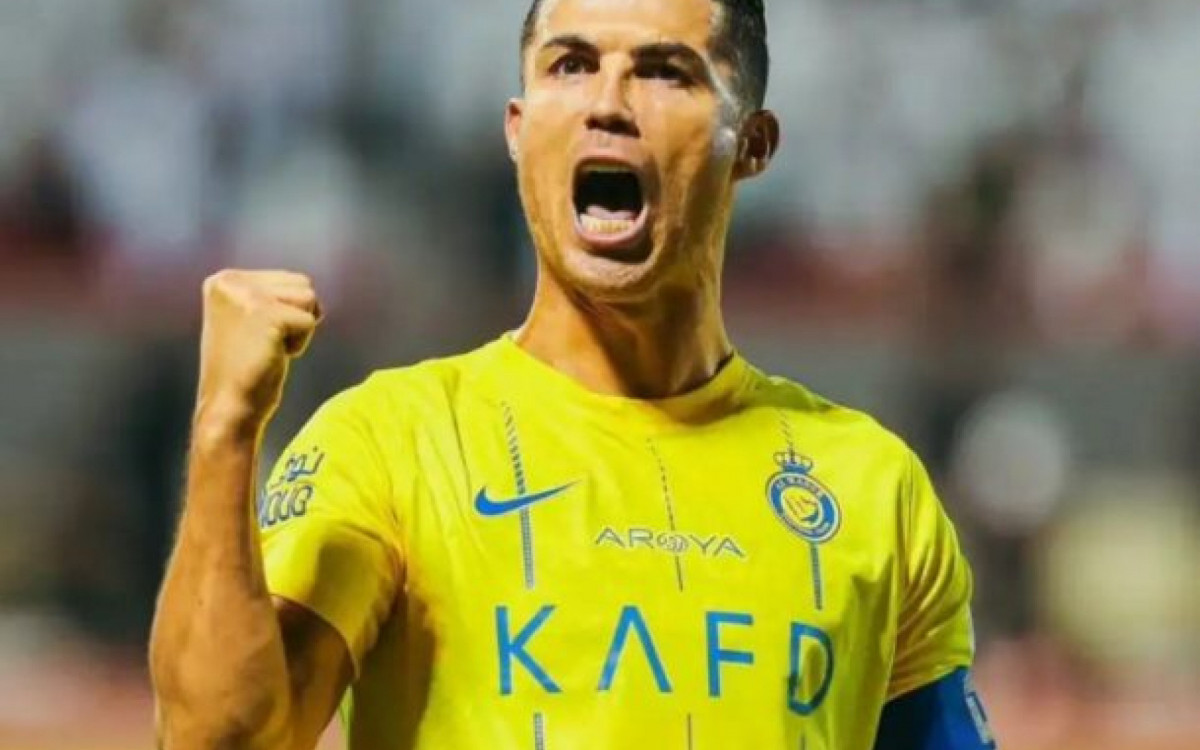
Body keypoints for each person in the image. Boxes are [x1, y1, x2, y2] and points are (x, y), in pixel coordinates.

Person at [149, 0, 998, 748]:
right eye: (571, 65)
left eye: (664, 72)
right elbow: (215, 744)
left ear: (753, 144)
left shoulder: (873, 488)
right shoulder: (389, 444)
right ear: (518, 130)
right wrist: (224, 430)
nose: (608, 104)